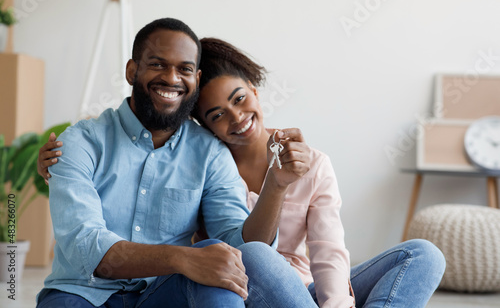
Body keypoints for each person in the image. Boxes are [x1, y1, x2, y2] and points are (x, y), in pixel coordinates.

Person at [38, 36, 447, 307]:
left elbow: (329, 252)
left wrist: (333, 303)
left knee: (422, 254)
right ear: (198, 121)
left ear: (254, 86)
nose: (236, 119)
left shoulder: (308, 161)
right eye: (217, 114)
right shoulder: (205, 160)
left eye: (239, 99)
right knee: (251, 254)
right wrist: (67, 159)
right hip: (241, 286)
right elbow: (133, 161)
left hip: (304, 290)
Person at [35, 18, 318, 308]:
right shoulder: (80, 142)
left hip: (163, 295)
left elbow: (242, 249)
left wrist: (276, 185)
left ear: (196, 78)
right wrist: (182, 258)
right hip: (81, 294)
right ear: (132, 71)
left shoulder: (210, 153)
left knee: (221, 260)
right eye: (158, 64)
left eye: (184, 69)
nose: (172, 78)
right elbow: (84, 245)